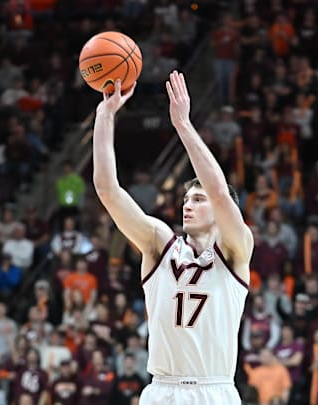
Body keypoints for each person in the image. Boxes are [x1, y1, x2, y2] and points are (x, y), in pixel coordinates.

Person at [92, 72, 252, 404]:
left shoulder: (237, 251)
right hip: (162, 391)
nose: (187, 206)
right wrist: (104, 117)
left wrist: (183, 125)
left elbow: (220, 193)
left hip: (215, 390)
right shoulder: (159, 244)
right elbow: (108, 190)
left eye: (197, 199)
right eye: (185, 200)